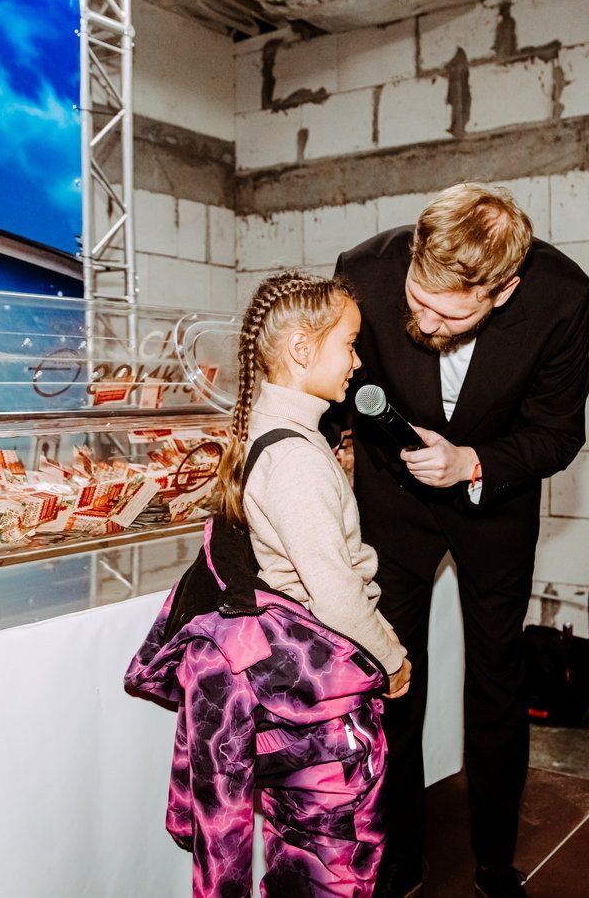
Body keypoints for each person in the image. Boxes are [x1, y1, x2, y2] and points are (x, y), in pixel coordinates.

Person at [330, 183, 589, 898]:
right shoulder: (363, 269)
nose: (424, 322)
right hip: (393, 495)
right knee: (391, 675)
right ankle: (399, 858)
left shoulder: (561, 296)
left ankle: (494, 861)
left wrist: (472, 462)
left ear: (503, 291)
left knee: (497, 681)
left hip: (493, 501)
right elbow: (335, 384)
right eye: (418, 299)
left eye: (448, 314)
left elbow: (558, 432)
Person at [126, 272, 410, 897]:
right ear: (303, 349)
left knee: (295, 856)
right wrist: (391, 659)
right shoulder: (296, 458)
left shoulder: (276, 433)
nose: (358, 362)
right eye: (349, 345)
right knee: (332, 864)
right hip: (319, 700)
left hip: (288, 696)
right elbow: (335, 593)